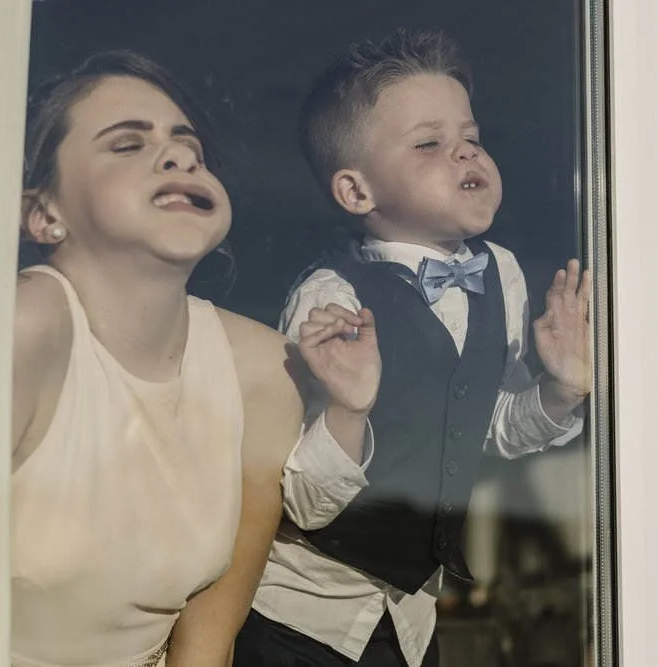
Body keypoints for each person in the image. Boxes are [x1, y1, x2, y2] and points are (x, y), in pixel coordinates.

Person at [234, 29, 591, 667]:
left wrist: (558, 390)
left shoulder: (500, 272)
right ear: (357, 192)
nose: (464, 155)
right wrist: (348, 410)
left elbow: (488, 428)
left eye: (471, 139)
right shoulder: (329, 298)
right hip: (301, 614)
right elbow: (301, 500)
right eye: (430, 143)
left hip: (412, 618)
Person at [12, 51, 380, 667]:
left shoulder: (263, 369)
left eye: (191, 149)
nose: (179, 156)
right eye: (126, 145)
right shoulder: (26, 330)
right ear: (44, 214)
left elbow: (208, 643)